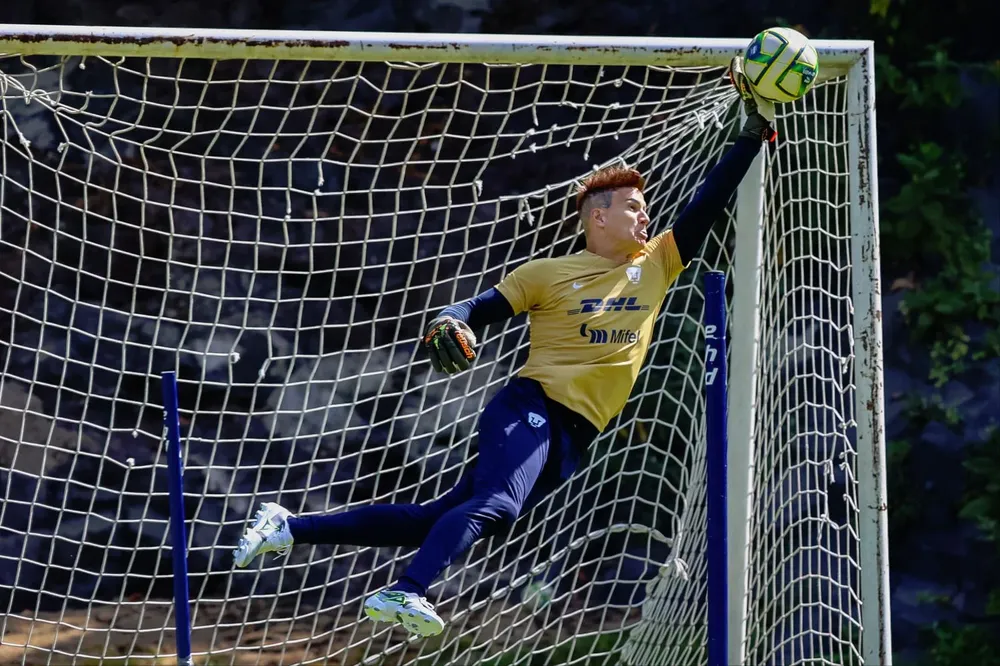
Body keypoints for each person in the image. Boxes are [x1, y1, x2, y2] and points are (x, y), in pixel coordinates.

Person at [232, 55, 777, 638]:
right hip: (532, 408)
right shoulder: (547, 272)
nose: (646, 219)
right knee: (497, 506)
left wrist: (749, 137)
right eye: (634, 208)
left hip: (574, 436)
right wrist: (451, 322)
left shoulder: (658, 264)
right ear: (598, 217)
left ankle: (290, 528)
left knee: (435, 519)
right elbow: (471, 311)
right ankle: (406, 591)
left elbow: (707, 202)